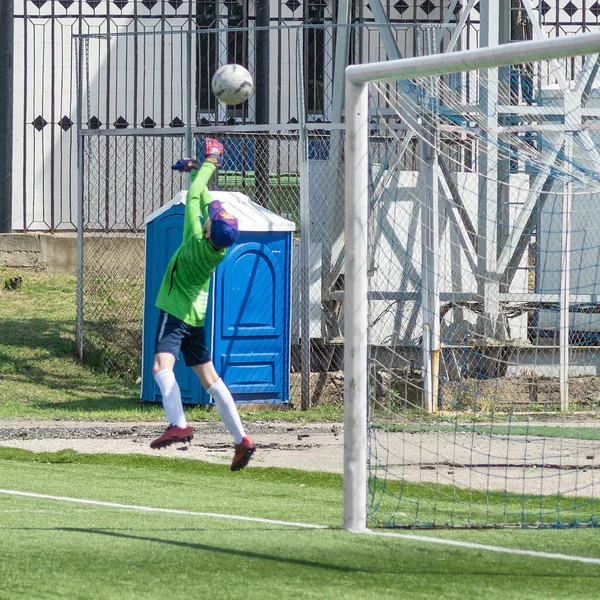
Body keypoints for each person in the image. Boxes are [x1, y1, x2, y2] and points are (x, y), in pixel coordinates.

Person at [150, 138, 256, 472]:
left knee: (160, 368)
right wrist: (196, 172)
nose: (211, 216)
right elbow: (207, 201)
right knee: (210, 378)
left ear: (208, 233)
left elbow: (196, 198)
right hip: (196, 314)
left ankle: (178, 423)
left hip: (176, 310)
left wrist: (211, 161)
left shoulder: (194, 240)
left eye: (213, 220)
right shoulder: (218, 246)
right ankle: (242, 440)